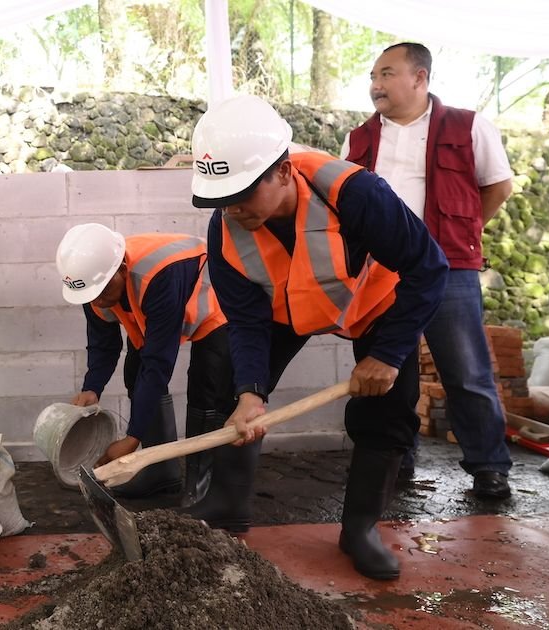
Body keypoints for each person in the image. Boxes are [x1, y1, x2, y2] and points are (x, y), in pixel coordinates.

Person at [191, 95, 448, 580]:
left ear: (284, 171)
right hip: (285, 310)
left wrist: (388, 355)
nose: (232, 208)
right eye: (222, 198)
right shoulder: (225, 229)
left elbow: (429, 268)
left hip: (373, 303)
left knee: (388, 408)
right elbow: (245, 321)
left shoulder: (355, 193)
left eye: (243, 192)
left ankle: (360, 529)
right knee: (233, 384)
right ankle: (227, 504)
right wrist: (250, 393)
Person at [343, 42, 515, 499]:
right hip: (379, 271)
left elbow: (498, 187)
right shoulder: (358, 138)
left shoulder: (469, 125)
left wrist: (460, 236)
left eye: (386, 73)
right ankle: (393, 461)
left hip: (449, 266)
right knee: (389, 371)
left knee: (466, 370)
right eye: (373, 76)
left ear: (419, 77)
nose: (375, 84)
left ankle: (489, 467)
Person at [56, 224, 234, 505]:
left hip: (216, 299)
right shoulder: (92, 281)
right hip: (162, 303)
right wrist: (92, 388)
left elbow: (159, 363)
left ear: (122, 269)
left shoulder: (157, 276)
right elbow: (103, 344)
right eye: (91, 296)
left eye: (103, 291)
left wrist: (132, 438)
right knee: (135, 372)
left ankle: (202, 489)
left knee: (207, 386)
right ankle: (160, 471)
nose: (98, 301)